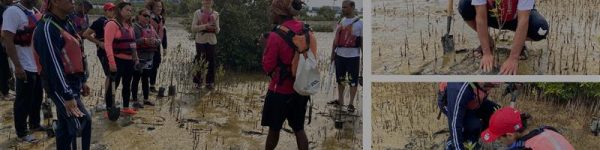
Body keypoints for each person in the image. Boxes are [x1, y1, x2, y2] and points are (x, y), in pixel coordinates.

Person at [33, 0, 92, 148]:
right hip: (59, 84)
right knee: (81, 121)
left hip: (73, 81)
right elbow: (52, 64)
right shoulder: (47, 27)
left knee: (65, 126)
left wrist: (83, 80)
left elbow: (78, 52)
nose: (73, 1)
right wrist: (67, 94)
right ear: (54, 2)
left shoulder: (67, 22)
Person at [262, 0, 316, 149]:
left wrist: (264, 46)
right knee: (299, 129)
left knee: (274, 129)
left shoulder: (275, 35)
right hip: (300, 89)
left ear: (279, 13)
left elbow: (268, 66)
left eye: (272, 11)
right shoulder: (306, 31)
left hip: (279, 90)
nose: (271, 13)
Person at [458, 0, 549, 75]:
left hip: (515, 17)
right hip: (491, 16)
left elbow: (523, 20)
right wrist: (486, 53)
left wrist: (513, 57)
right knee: (464, 6)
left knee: (541, 30)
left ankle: (519, 44)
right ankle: (489, 42)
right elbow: (481, 18)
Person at [1, 0, 44, 143]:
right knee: (23, 101)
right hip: (24, 64)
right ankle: (22, 132)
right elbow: (8, 40)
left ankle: (35, 124)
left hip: (36, 64)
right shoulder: (13, 11)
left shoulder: (35, 12)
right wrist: (17, 66)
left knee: (37, 97)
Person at [438, 82, 501, 150]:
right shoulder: (459, 89)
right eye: (489, 85)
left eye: (493, 86)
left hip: (472, 101)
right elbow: (454, 124)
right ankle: (451, 144)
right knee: (474, 124)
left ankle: (472, 139)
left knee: (497, 111)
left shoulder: (481, 85)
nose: (490, 89)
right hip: (452, 104)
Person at [481, 107, 574, 150]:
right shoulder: (549, 130)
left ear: (510, 135)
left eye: (499, 138)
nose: (498, 140)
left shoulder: (525, 148)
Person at [104, 2, 139, 115]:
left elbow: (133, 44)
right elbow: (108, 44)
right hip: (117, 60)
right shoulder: (112, 24)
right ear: (119, 10)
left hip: (129, 61)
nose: (129, 12)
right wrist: (112, 63)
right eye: (127, 10)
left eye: (130, 10)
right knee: (113, 86)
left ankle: (125, 107)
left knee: (127, 85)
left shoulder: (130, 26)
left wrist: (136, 58)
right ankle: (109, 109)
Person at [328, 0, 362, 113]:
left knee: (353, 81)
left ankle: (351, 103)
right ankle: (341, 100)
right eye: (342, 7)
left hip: (353, 57)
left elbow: (362, 42)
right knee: (340, 80)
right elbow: (335, 40)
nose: (343, 9)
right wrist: (332, 54)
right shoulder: (340, 21)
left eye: (345, 7)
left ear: (352, 7)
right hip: (340, 55)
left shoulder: (360, 23)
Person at [83, 2, 115, 111]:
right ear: (105, 11)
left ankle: (110, 99)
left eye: (113, 9)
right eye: (110, 10)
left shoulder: (114, 22)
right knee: (109, 75)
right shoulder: (99, 21)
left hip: (113, 51)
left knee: (113, 76)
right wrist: (99, 43)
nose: (112, 11)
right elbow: (86, 34)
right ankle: (107, 101)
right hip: (103, 52)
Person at [131, 9, 159, 108]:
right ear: (138, 16)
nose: (147, 18)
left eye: (148, 16)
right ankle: (134, 100)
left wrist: (154, 41)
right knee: (136, 78)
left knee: (146, 79)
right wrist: (144, 40)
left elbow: (158, 39)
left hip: (149, 58)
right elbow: (132, 42)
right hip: (138, 57)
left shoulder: (151, 27)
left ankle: (146, 99)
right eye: (144, 15)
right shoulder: (135, 27)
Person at [191, 0, 219, 90]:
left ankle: (209, 83)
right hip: (200, 40)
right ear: (202, 2)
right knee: (200, 60)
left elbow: (218, 30)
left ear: (212, 3)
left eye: (209, 1)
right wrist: (205, 26)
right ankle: (197, 82)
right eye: (205, 1)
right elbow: (193, 28)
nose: (207, 3)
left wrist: (215, 27)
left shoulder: (216, 14)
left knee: (211, 61)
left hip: (212, 40)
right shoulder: (197, 13)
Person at [145, 0, 166, 92]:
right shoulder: (148, 17)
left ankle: (152, 86)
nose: (159, 8)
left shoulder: (162, 18)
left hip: (157, 46)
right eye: (157, 6)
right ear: (152, 8)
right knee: (147, 66)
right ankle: (144, 86)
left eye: (160, 7)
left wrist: (165, 47)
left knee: (156, 64)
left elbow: (164, 33)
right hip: (147, 46)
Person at [0, 0, 14, 101]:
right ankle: (4, 93)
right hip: (1, 42)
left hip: (3, 42)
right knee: (3, 68)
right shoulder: (3, 10)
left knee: (4, 68)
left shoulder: (5, 9)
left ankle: (5, 91)